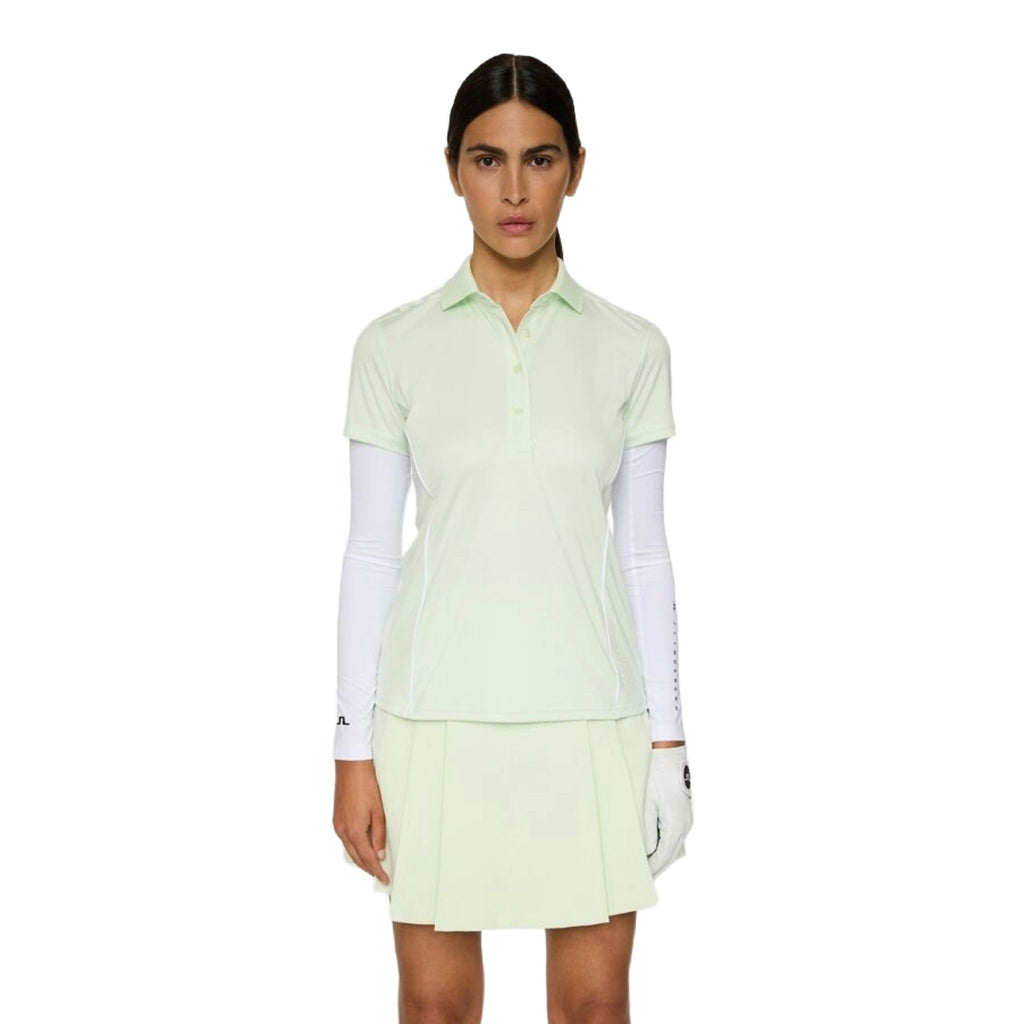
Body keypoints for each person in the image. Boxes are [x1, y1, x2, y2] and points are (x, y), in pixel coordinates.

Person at [332, 53, 693, 1024]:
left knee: (593, 1007)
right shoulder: (392, 346)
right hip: (433, 721)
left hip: (591, 720)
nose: (515, 190)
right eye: (487, 160)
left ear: (576, 168)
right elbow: (370, 553)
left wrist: (668, 744)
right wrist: (351, 749)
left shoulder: (633, 347)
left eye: (540, 159)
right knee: (435, 1008)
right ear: (453, 169)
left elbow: (644, 552)